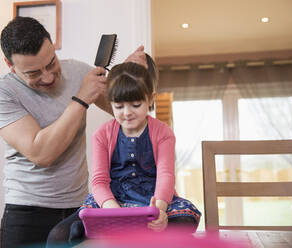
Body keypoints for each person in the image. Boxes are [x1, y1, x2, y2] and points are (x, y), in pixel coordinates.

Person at [0, 16, 146, 248]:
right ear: (10, 65)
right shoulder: (0, 93)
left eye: (51, 63)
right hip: (27, 215)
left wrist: (129, 76)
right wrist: (81, 98)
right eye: (33, 73)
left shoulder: (79, 70)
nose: (48, 77)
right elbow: (41, 153)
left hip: (79, 211)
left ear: (52, 46)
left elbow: (126, 111)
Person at [46, 60, 201, 247]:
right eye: (119, 107)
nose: (127, 113)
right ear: (111, 103)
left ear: (150, 99)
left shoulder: (164, 132)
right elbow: (99, 181)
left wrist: (159, 211)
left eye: (135, 105)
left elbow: (165, 176)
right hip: (112, 200)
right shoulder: (102, 135)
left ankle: (132, 229)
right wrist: (114, 213)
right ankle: (99, 228)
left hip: (153, 199)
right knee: (58, 235)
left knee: (186, 220)